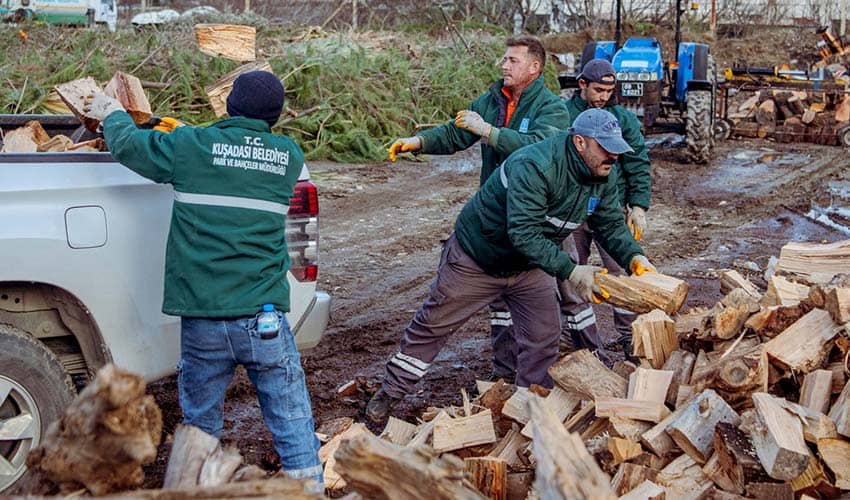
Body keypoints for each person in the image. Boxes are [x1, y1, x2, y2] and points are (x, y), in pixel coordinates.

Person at [83, 71, 323, 491]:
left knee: (200, 428)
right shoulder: (287, 155)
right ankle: (311, 491)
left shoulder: (191, 146)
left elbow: (131, 147)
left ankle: (195, 490)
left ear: (229, 105)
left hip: (204, 320)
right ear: (276, 116)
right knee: (292, 422)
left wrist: (113, 114)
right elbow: (233, 157)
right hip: (264, 321)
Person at [366, 108, 656, 423]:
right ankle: (389, 393)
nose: (614, 156)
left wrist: (634, 257)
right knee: (432, 326)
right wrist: (572, 271)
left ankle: (527, 409)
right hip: (478, 258)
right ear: (580, 142)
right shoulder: (536, 165)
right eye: (606, 148)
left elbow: (610, 224)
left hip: (529, 266)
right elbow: (524, 233)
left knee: (544, 336)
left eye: (617, 149)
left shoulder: (603, 173)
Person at [387, 35, 570, 381]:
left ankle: (535, 388)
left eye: (513, 60)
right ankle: (502, 373)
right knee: (496, 310)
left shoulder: (552, 109)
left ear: (535, 67)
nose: (504, 65)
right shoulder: (493, 100)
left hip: (532, 219)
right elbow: (456, 133)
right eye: (504, 59)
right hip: (493, 219)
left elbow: (539, 148)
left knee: (544, 317)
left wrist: (489, 132)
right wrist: (419, 142)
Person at [560, 58, 652, 361]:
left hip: (610, 207)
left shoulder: (621, 119)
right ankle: (575, 338)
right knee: (572, 272)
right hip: (572, 210)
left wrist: (638, 206)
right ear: (582, 84)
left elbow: (637, 162)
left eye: (609, 92)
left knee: (623, 270)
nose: (603, 97)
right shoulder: (563, 115)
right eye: (598, 90)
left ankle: (630, 336)